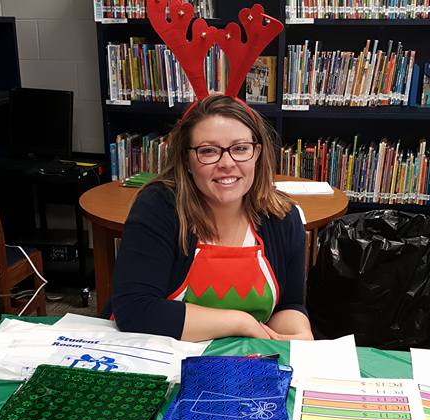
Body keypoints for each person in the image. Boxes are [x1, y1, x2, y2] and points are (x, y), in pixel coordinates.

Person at [110, 95, 314, 342]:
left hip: (247, 361)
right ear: (186, 159)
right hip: (161, 357)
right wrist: (241, 322)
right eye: (208, 151)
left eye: (240, 148)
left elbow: (288, 304)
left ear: (257, 153)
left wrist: (299, 334)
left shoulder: (283, 217)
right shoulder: (158, 208)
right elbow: (135, 311)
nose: (227, 163)